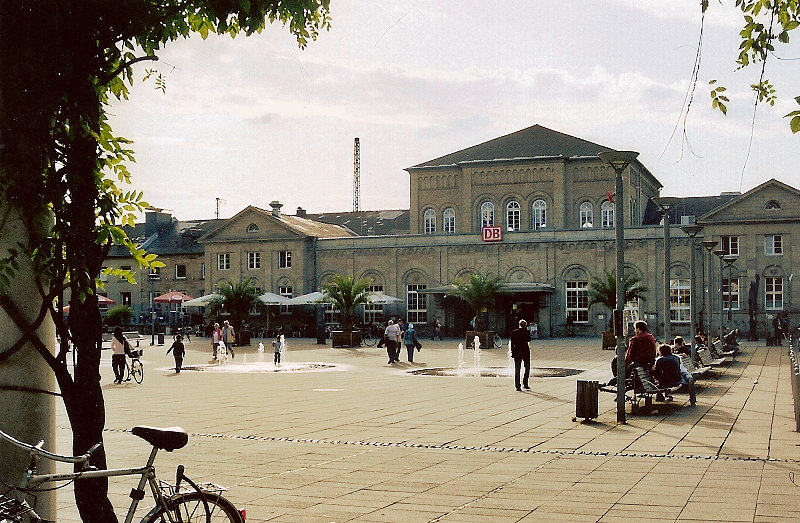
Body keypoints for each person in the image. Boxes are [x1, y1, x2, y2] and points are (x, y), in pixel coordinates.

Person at [510, 319, 532, 391]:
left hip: (517, 351)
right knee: (527, 367)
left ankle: (517, 385)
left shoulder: (514, 332)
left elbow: (512, 343)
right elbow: (529, 340)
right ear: (525, 325)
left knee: (517, 368)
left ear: (519, 325)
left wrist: (512, 352)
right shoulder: (527, 332)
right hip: (525, 351)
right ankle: (525, 383)